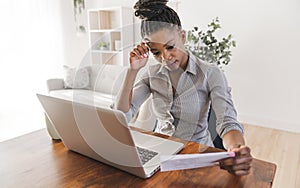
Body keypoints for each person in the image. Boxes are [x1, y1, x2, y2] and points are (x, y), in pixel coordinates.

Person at [116, 0, 252, 176]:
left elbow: (227, 122)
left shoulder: (210, 73)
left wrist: (236, 149)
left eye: (170, 47)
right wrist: (132, 71)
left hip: (196, 155)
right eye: (156, 52)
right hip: (160, 155)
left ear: (183, 36)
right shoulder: (151, 74)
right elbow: (122, 115)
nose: (165, 58)